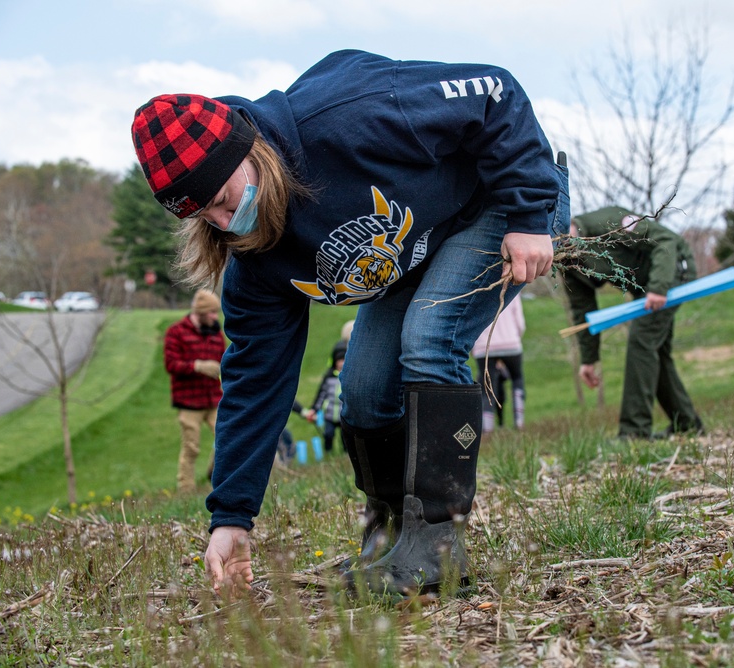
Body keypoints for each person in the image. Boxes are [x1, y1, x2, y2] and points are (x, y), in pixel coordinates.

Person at [131, 49, 569, 598]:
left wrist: (530, 211)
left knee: (430, 337)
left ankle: (436, 549)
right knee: (360, 393)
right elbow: (253, 383)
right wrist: (231, 518)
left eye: (223, 200)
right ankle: (390, 538)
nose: (224, 222)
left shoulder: (353, 113)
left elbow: (493, 92)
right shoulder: (254, 263)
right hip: (421, 248)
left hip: (502, 203)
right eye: (205, 217)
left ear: (248, 151)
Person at [563, 206, 703, 441]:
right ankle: (687, 424)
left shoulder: (609, 223)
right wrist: (588, 359)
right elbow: (582, 309)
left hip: (673, 271)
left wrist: (659, 287)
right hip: (646, 290)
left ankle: (634, 432)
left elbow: (665, 241)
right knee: (655, 351)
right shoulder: (566, 259)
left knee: (642, 343)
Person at [163, 289, 226, 493]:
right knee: (191, 448)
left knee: (227, 437)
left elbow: (225, 359)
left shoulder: (217, 334)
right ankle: (186, 491)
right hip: (189, 402)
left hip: (214, 398)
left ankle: (213, 473)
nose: (216, 317)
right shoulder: (176, 332)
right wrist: (197, 366)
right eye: (212, 313)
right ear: (200, 312)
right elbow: (171, 364)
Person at [471, 294, 526, 433]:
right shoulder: (513, 288)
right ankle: (519, 422)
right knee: (517, 379)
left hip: (484, 348)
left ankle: (488, 428)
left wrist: (473, 347)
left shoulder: (476, 290)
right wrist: (515, 337)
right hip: (510, 343)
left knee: (487, 388)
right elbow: (519, 321)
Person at [307, 345, 345, 452]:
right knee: (328, 434)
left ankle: (346, 455)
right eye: (339, 360)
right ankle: (328, 452)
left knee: (345, 437)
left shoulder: (348, 377)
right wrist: (314, 409)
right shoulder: (328, 377)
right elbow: (321, 395)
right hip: (329, 414)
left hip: (343, 414)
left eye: (344, 360)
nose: (341, 363)